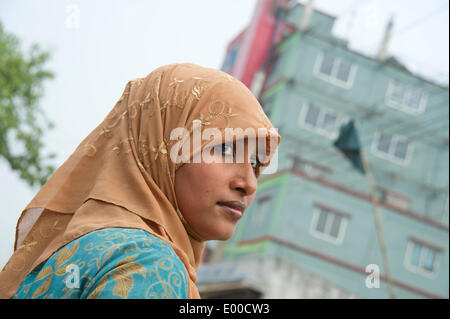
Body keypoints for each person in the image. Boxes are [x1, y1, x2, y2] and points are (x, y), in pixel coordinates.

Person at [0, 63, 280, 299]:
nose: (249, 183)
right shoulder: (149, 265)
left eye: (256, 163)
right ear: (158, 146)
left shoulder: (68, 252)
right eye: (225, 148)